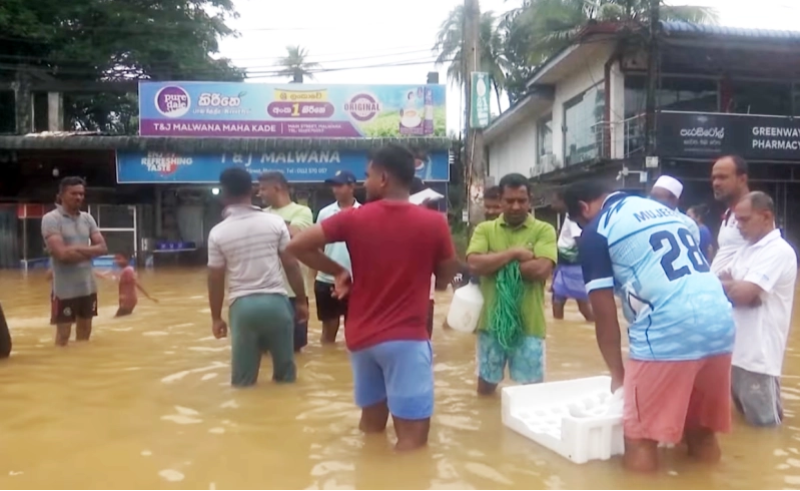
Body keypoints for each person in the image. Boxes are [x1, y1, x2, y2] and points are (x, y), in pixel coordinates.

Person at [286, 144, 459, 451]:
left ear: (383, 178)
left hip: (361, 339)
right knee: (413, 441)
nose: (364, 183)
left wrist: (338, 271)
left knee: (371, 427)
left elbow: (297, 245)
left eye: (367, 176)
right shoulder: (434, 223)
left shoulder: (352, 219)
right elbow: (446, 276)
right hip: (406, 340)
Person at [563, 180, 735, 473]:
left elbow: (603, 314)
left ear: (583, 208)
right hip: (721, 322)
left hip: (667, 331)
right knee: (701, 431)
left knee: (640, 437)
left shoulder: (596, 231)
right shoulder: (662, 210)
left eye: (579, 222)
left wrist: (618, 376)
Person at [207, 168, 308, 387]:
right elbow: (291, 264)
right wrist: (301, 300)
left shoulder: (217, 233)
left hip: (243, 308)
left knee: (243, 383)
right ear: (251, 191)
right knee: (286, 378)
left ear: (224, 195)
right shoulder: (274, 223)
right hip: (278, 305)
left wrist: (216, 317)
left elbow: (215, 279)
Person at [466, 173, 557, 396]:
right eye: (509, 201)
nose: (516, 206)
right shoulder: (484, 230)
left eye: (521, 200)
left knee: (532, 395)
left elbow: (541, 270)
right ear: (500, 200)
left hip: (529, 326)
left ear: (530, 200)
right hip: (490, 325)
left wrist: (494, 261)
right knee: (485, 391)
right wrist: (515, 253)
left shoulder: (544, 230)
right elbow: (475, 264)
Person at [717, 192, 796, 427]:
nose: (738, 227)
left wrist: (742, 291)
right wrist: (739, 291)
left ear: (766, 217)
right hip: (735, 353)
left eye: (744, 220)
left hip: (759, 358)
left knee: (766, 428)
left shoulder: (778, 251)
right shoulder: (746, 249)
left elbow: (742, 293)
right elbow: (719, 282)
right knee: (744, 423)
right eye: (736, 220)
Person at [42, 176, 107, 346]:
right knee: (63, 337)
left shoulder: (87, 218)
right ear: (61, 195)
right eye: (73, 194)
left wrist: (74, 248)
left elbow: (103, 248)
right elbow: (62, 255)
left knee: (85, 335)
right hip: (63, 290)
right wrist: (89, 251)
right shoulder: (51, 219)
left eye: (81, 194)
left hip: (88, 287)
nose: (78, 197)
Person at [259, 171, 314, 352]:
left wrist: (264, 223)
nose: (259, 193)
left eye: (263, 189)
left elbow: (295, 234)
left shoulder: (302, 211)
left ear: (277, 188)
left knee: (294, 350)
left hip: (294, 293)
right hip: (265, 291)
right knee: (265, 351)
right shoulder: (260, 214)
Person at [313, 170, 360, 344]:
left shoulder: (364, 212)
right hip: (326, 279)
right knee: (328, 332)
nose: (335, 189)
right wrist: (315, 276)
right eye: (333, 186)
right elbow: (317, 247)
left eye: (339, 185)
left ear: (352, 187)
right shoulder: (325, 213)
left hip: (356, 280)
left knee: (354, 333)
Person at [550, 189, 593, 322]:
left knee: (581, 302)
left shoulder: (573, 217)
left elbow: (579, 239)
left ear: (565, 201)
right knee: (558, 298)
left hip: (571, 263)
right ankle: (559, 329)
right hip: (565, 262)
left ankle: (596, 325)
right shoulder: (573, 215)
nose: (552, 204)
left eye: (555, 201)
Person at [452, 186, 502, 290]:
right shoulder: (481, 230)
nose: (490, 211)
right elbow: (474, 264)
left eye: (496, 207)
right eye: (487, 207)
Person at [711, 155, 750, 276]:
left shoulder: (754, 213)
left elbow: (766, 255)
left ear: (742, 180)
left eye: (722, 177)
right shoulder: (729, 213)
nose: (716, 183)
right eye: (714, 178)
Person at [649, 175, 700, 244]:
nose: (651, 201)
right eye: (651, 197)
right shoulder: (644, 219)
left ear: (674, 201)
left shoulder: (688, 224)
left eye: (657, 197)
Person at [105, 253, 158, 317]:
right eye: (115, 259)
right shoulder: (126, 270)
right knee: (123, 318)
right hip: (127, 300)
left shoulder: (128, 271)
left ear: (126, 260)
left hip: (127, 300)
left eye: (119, 258)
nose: (116, 261)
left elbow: (137, 283)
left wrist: (149, 296)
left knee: (118, 319)